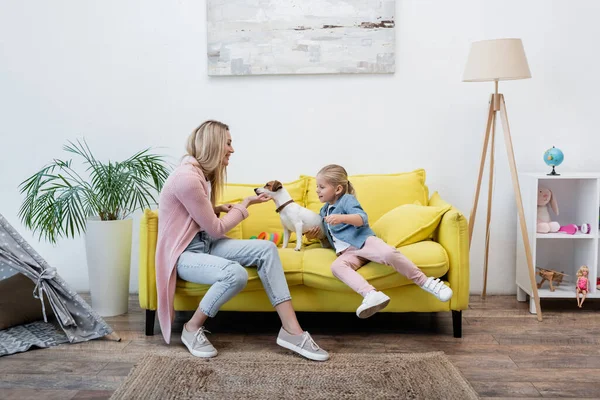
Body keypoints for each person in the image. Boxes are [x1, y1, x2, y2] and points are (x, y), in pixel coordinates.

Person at [155, 120, 329, 361]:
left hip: (206, 244)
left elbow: (190, 216)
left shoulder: (200, 174)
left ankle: (292, 331)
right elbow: (216, 229)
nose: (232, 149)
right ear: (214, 144)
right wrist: (244, 205)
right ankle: (191, 328)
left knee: (267, 249)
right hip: (184, 254)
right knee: (234, 274)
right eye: (228, 143)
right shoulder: (187, 177)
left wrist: (214, 207)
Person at [305, 164, 453, 319]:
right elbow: (328, 237)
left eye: (321, 187)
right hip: (347, 253)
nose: (317, 190)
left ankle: (426, 282)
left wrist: (341, 218)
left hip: (363, 242)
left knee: (388, 253)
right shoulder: (323, 211)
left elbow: (362, 218)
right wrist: (313, 236)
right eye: (317, 186)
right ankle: (371, 295)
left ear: (338, 189)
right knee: (336, 267)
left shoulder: (346, 200)